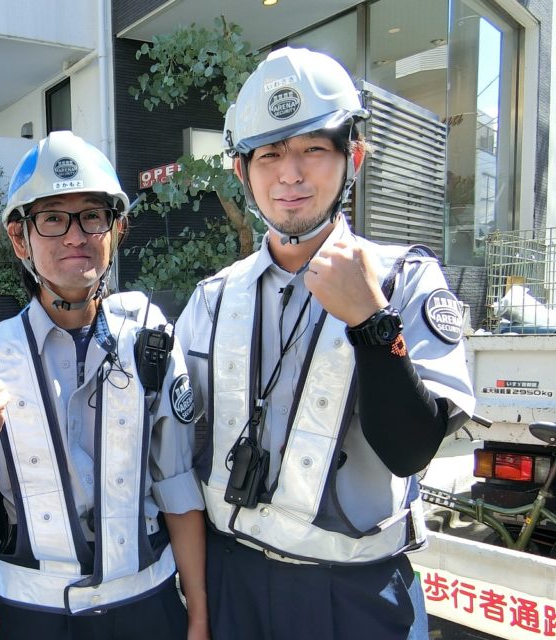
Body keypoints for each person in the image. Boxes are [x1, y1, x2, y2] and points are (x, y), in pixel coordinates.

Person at [175, 47, 477, 639]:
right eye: (269, 154)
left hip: (358, 597)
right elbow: (180, 449)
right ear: (242, 171)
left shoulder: (404, 281)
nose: (290, 174)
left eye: (313, 148)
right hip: (235, 583)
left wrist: (371, 321)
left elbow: (411, 449)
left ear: (352, 157)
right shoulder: (213, 298)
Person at [0, 131, 208, 640]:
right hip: (31, 619)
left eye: (92, 216)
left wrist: (197, 617)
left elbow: (177, 488)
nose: (75, 236)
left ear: (116, 229)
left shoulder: (150, 341)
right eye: (53, 218)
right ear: (21, 238)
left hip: (147, 610)